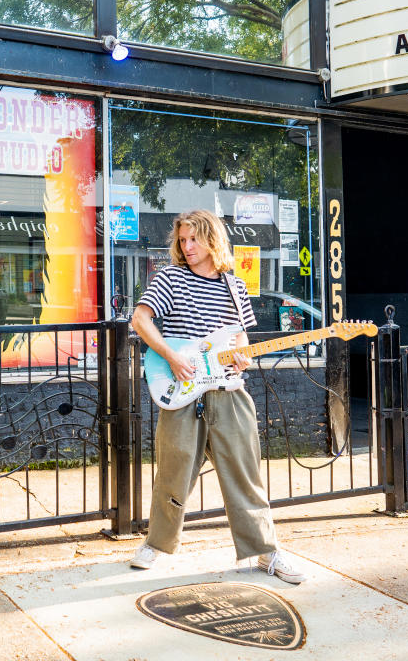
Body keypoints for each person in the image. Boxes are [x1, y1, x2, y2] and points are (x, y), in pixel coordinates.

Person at [128, 209, 306, 584]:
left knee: (245, 473)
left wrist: (241, 355)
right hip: (183, 389)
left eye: (194, 239)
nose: (187, 246)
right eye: (182, 240)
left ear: (212, 239)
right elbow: (140, 320)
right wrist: (172, 357)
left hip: (227, 390)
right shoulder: (170, 277)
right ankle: (156, 544)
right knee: (173, 471)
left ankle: (266, 551)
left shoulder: (233, 285)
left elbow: (239, 336)